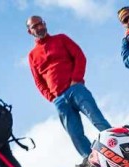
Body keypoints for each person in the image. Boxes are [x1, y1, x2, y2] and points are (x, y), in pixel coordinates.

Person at [27, 16, 111, 157]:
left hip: (76, 90)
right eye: (35, 26)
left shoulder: (61, 39)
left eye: (40, 24)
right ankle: (92, 160)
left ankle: (118, 144)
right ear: (30, 31)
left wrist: (76, 79)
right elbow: (38, 81)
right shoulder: (32, 55)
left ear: (45, 23)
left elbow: (79, 56)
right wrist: (52, 97)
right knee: (75, 134)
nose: (39, 27)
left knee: (97, 119)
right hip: (59, 99)